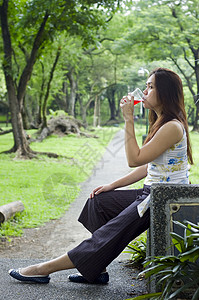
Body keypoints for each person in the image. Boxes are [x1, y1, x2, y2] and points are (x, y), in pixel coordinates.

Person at [9, 67, 193, 284]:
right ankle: (98, 268)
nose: (144, 91)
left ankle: (43, 268)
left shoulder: (171, 127)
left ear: (165, 92)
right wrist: (111, 185)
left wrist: (128, 120)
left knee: (105, 236)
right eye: (146, 85)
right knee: (99, 202)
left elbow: (135, 159)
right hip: (152, 193)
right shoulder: (162, 122)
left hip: (163, 199)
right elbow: (149, 167)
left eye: (151, 87)